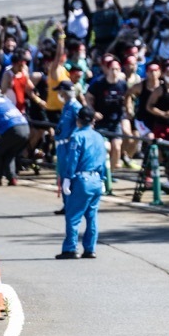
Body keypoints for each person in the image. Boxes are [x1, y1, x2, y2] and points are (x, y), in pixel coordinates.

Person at [57, 106, 108, 259]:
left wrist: (67, 178)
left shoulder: (77, 136)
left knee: (73, 216)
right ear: (93, 120)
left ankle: (71, 248)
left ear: (78, 119)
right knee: (92, 216)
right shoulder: (99, 137)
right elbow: (103, 160)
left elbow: (72, 159)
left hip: (82, 179)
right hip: (96, 180)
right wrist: (103, 178)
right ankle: (90, 248)